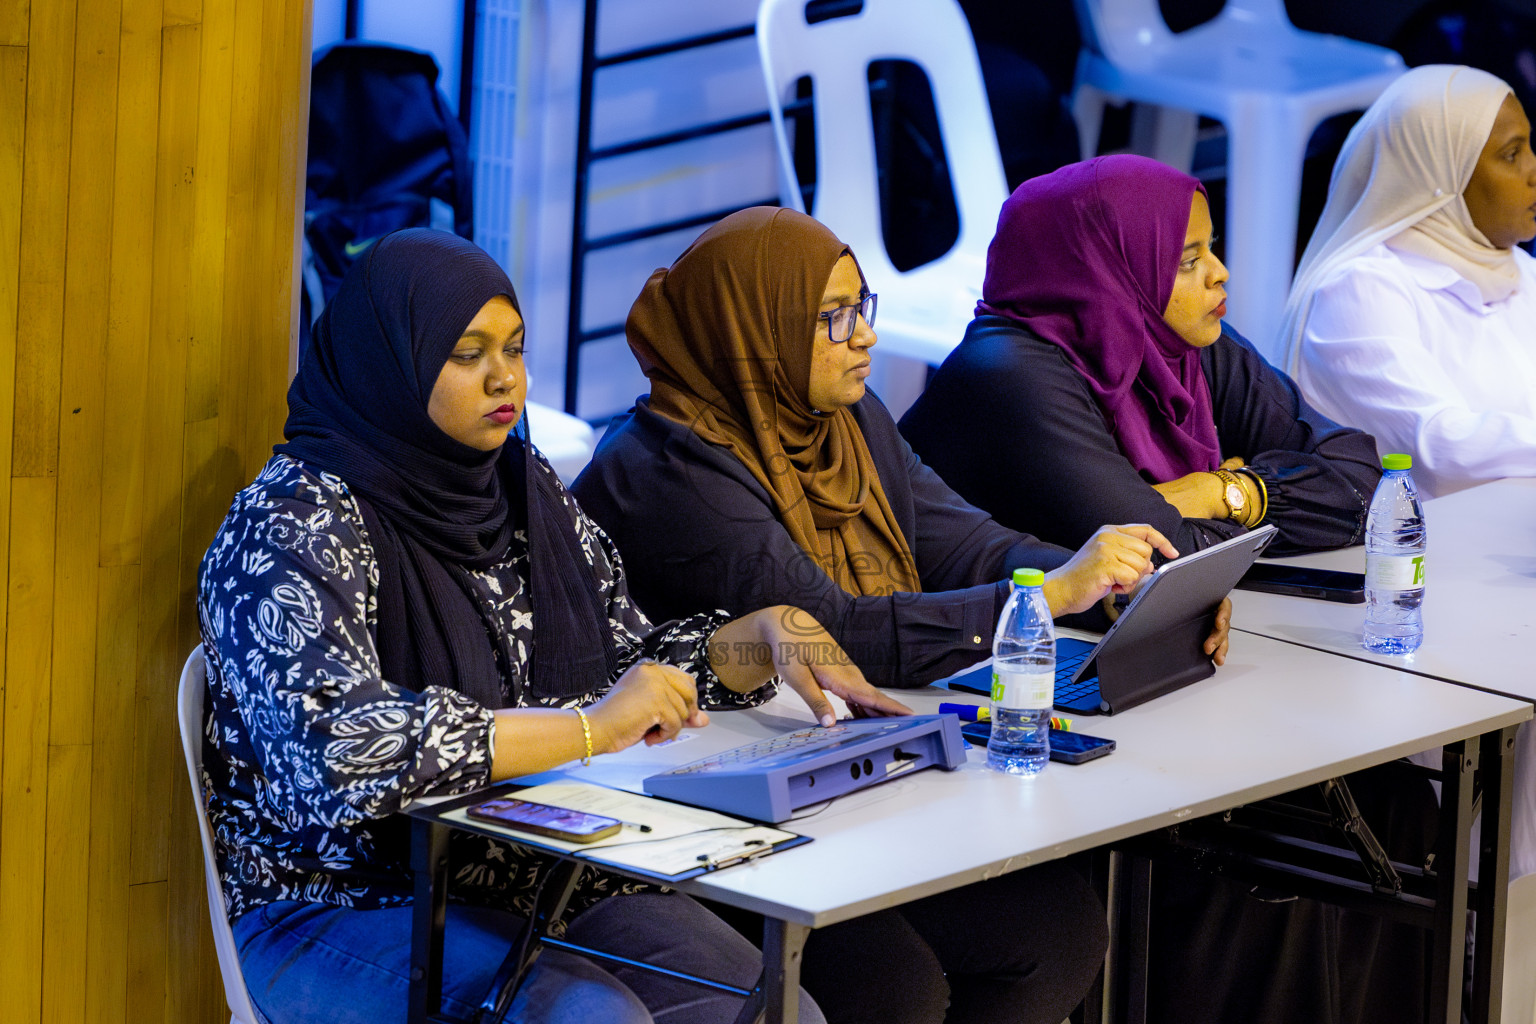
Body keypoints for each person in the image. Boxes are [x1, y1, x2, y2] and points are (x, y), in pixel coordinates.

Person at [196, 229, 912, 1024]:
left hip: (543, 871)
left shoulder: (519, 486)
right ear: (389, 361)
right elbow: (336, 756)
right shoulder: (294, 521)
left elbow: (629, 665)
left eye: (515, 347)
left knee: (780, 1013)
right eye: (467, 353)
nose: (505, 376)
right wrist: (584, 731)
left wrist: (763, 638)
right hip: (342, 903)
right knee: (596, 1021)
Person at [573, 206, 1225, 1024]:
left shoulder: (844, 420)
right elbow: (830, 627)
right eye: (830, 318)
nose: (863, 338)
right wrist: (1045, 597)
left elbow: (964, 541)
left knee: (1055, 932)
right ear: (755, 326)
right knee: (895, 988)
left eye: (862, 309)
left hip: (860, 769)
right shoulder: (663, 467)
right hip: (732, 819)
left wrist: (1095, 576)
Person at [897, 154, 1381, 559]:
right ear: (1108, 274)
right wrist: (1209, 510)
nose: (1221, 272)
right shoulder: (1010, 373)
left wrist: (1224, 492)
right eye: (1188, 261)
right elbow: (1165, 556)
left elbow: (1364, 482)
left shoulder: (1180, 345)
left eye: (1209, 249)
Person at [1280, 64, 1536, 499]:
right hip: (1401, 557)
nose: (1533, 170)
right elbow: (1438, 446)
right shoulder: (1360, 289)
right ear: (1440, 175)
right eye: (1511, 155)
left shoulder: (1514, 266)